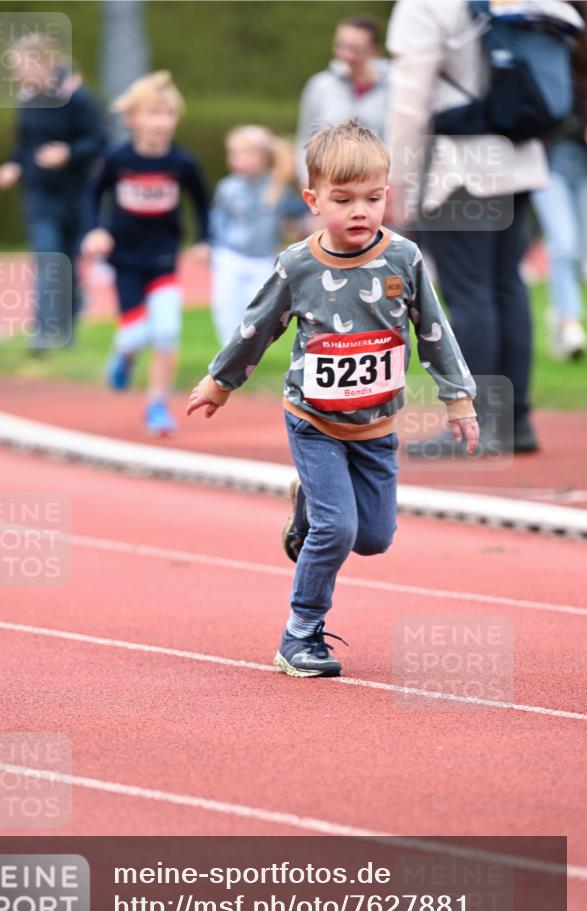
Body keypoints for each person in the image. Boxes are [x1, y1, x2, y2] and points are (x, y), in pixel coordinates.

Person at [187, 121, 478, 678]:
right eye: (342, 200)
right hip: (313, 420)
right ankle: (300, 635)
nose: (359, 211)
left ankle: (306, 509)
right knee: (337, 530)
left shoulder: (404, 259)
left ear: (387, 195)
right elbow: (257, 327)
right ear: (313, 200)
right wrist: (220, 384)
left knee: (373, 538)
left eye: (372, 198)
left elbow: (435, 330)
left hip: (376, 425)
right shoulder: (298, 265)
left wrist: (458, 399)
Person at [386, 0, 554, 455]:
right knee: (506, 286)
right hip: (517, 158)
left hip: (459, 166)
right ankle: (516, 421)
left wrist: (396, 177)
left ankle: (477, 429)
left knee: (470, 292)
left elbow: (410, 95)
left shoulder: (425, 5)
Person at [82, 71, 210, 436]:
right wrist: (95, 230)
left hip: (163, 258)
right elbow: (92, 195)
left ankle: (157, 406)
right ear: (132, 119)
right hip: (125, 260)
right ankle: (123, 356)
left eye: (167, 114)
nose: (160, 122)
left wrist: (204, 239)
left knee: (168, 330)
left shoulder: (183, 163)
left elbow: (202, 204)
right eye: (152, 113)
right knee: (136, 337)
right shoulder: (117, 158)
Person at [0, 33, 105, 350]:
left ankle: (66, 330)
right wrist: (13, 165)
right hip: (39, 194)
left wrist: (67, 153)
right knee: (47, 258)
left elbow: (99, 141)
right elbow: (25, 145)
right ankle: (43, 332)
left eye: (21, 67)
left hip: (74, 194)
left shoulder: (77, 97)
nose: (17, 75)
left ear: (42, 63)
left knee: (67, 264)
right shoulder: (27, 99)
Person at [210, 125, 307, 348]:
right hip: (231, 256)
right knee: (227, 310)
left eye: (245, 153)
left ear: (264, 157)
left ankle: (243, 354)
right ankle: (227, 360)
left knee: (256, 312)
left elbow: (301, 215)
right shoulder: (228, 188)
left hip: (263, 259)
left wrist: (290, 235)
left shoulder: (276, 188)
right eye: (234, 154)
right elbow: (217, 219)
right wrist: (213, 244)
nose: (238, 159)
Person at [531, 0, 587, 360]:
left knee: (583, 250)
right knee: (562, 242)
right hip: (548, 160)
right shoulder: (539, 41)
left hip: (582, 160)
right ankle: (568, 321)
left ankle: (564, 317)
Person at [295, 15, 389, 183]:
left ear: (374, 50)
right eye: (341, 46)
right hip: (331, 183)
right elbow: (306, 137)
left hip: (380, 186)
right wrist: (306, 177)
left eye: (356, 49)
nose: (347, 55)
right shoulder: (320, 86)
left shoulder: (396, 86)